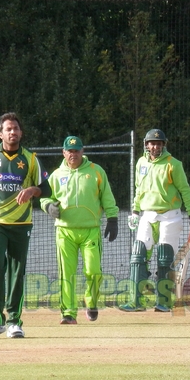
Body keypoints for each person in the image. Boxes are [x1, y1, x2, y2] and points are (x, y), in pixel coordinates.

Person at [0, 112, 51, 339]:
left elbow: (47, 189)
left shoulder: (31, 159)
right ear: (0, 133)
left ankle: (14, 321)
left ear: (21, 133)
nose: (12, 132)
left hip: (21, 223)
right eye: (8, 129)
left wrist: (33, 190)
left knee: (17, 271)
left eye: (16, 128)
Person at [40, 136, 119, 324]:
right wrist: (49, 207)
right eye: (69, 151)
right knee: (66, 273)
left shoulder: (96, 171)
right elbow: (43, 197)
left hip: (90, 230)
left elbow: (107, 196)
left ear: (82, 151)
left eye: (76, 151)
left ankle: (91, 302)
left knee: (94, 271)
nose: (73, 154)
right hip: (64, 231)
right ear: (64, 152)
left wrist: (113, 218)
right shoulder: (56, 174)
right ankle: (68, 313)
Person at [121, 128, 190, 312]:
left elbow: (185, 190)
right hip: (147, 215)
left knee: (165, 258)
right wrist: (134, 211)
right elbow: (139, 189)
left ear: (163, 145)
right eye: (152, 143)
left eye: (158, 143)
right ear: (146, 145)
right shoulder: (141, 162)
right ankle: (136, 301)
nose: (155, 146)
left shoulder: (173, 164)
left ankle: (164, 301)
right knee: (138, 256)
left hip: (169, 216)